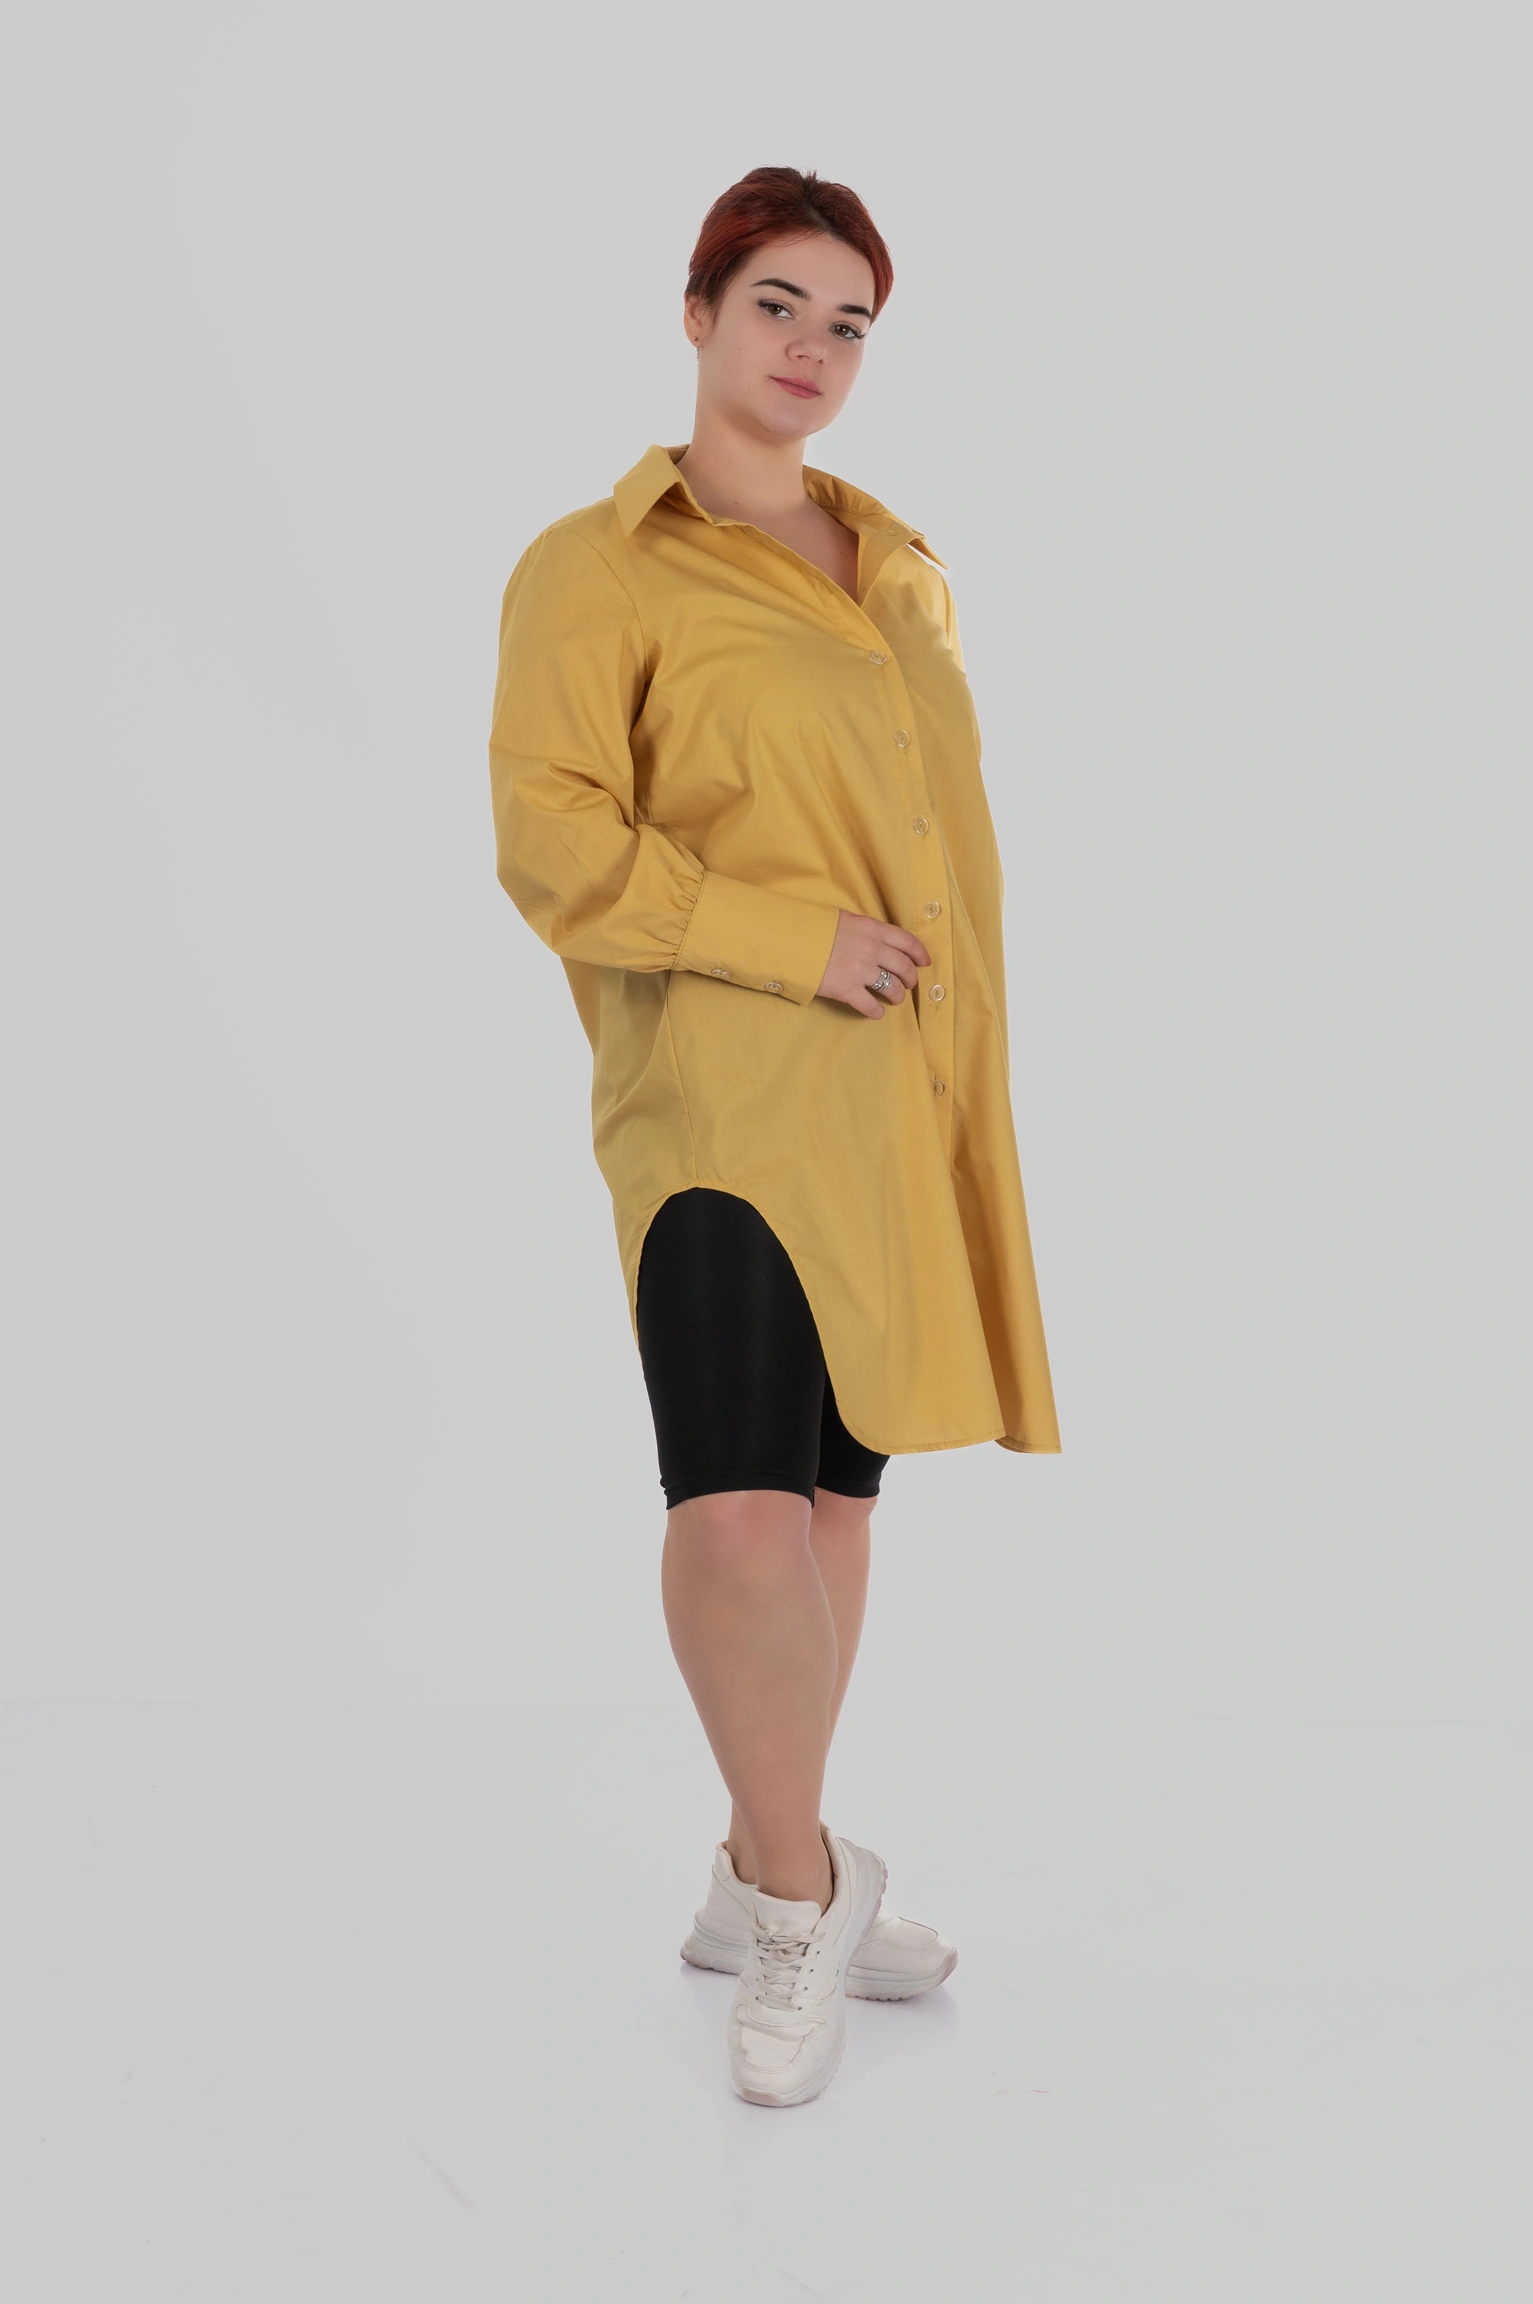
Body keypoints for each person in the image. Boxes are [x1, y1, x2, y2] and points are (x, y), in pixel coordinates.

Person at [488, 166, 1060, 2109]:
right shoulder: (600, 567)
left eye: (848, 323)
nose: (812, 350)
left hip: (892, 1106)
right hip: (719, 1098)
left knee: (826, 1515)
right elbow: (552, 838)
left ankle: (758, 1870)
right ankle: (809, 1894)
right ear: (698, 312)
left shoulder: (896, 566)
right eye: (776, 307)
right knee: (731, 1517)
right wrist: (782, 938)